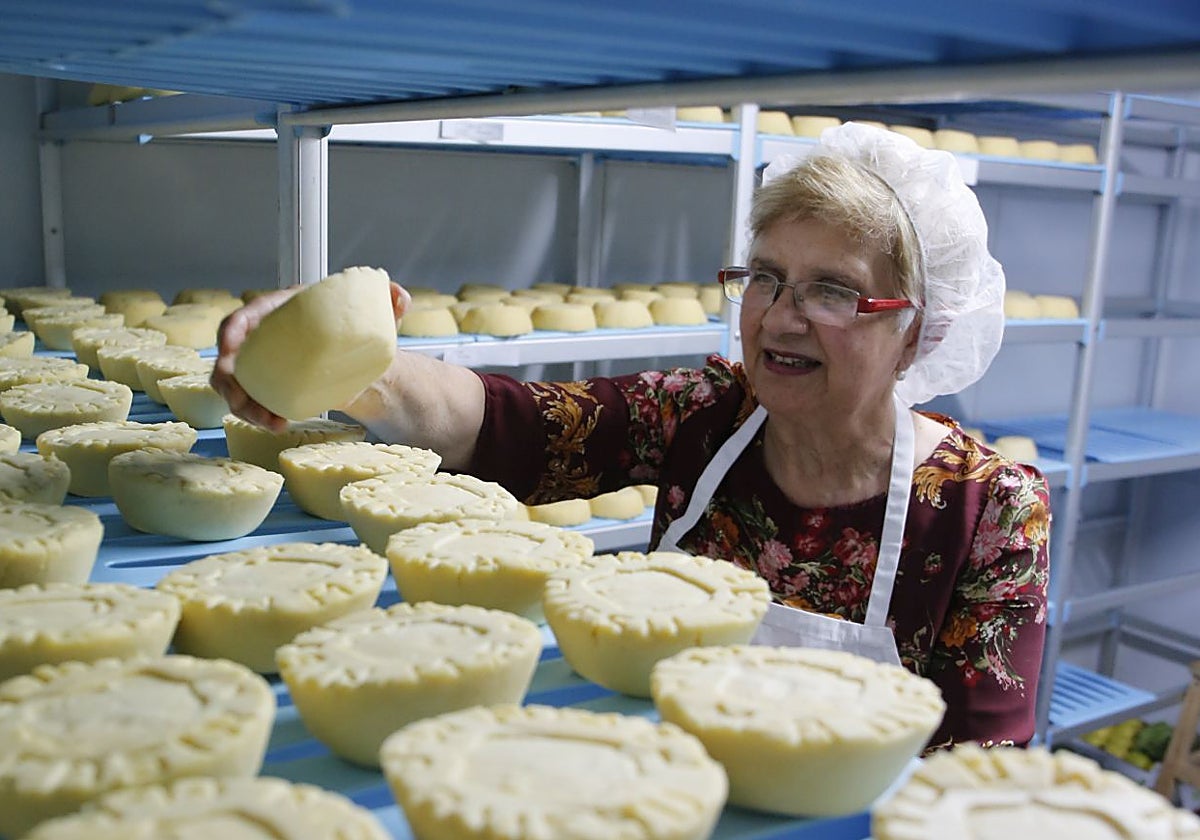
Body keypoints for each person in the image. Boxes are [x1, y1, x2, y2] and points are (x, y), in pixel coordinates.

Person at [213, 122, 1050, 751]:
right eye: (765, 277)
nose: (778, 317)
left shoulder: (990, 512)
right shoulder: (704, 415)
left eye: (832, 290)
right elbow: (507, 425)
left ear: (919, 329)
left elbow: (977, 775)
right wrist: (342, 358)